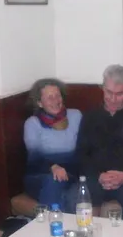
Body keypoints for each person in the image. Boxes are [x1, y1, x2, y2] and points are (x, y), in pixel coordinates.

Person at [65, 65, 123, 221]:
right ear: (103, 88)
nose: (112, 98)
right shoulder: (90, 117)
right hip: (95, 178)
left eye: (119, 94)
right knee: (72, 199)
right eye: (109, 92)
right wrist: (98, 176)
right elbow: (81, 155)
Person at [23, 78, 82, 209]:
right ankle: (53, 219)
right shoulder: (32, 123)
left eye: (58, 95)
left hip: (71, 173)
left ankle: (54, 218)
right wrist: (53, 167)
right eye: (50, 97)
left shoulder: (76, 116)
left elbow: (85, 147)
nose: (55, 101)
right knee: (53, 182)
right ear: (39, 103)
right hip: (40, 174)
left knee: (72, 195)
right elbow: (34, 157)